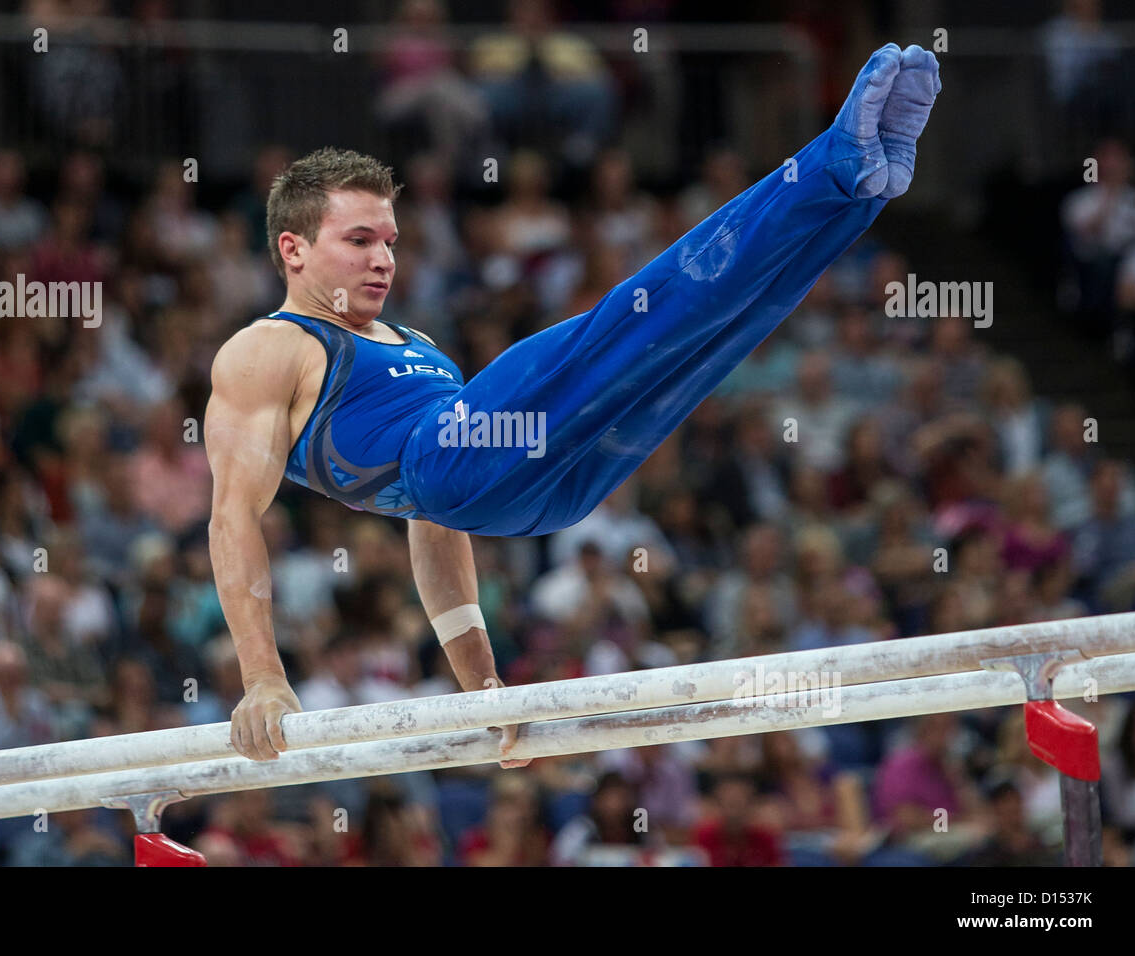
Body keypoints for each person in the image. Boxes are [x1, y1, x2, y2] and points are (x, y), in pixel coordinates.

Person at [206, 44, 942, 764]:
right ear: (294, 250)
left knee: (710, 336)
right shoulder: (268, 350)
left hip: (520, 491)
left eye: (390, 240)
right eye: (358, 239)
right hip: (462, 471)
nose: (383, 258)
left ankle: (863, 190)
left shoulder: (416, 341)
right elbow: (233, 514)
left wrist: (481, 688)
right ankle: (832, 164)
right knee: (639, 316)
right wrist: (263, 678)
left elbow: (431, 523)